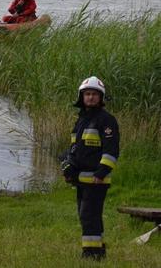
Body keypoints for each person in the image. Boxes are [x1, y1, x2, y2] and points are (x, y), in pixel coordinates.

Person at [61, 76, 119, 261]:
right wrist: (68, 166)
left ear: (101, 98)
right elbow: (75, 150)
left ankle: (90, 255)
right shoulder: (81, 121)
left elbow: (111, 150)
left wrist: (101, 173)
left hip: (96, 179)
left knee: (89, 216)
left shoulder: (106, 120)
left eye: (94, 94)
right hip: (81, 179)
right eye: (87, 94)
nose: (91, 97)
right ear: (82, 96)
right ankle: (99, 251)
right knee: (86, 216)